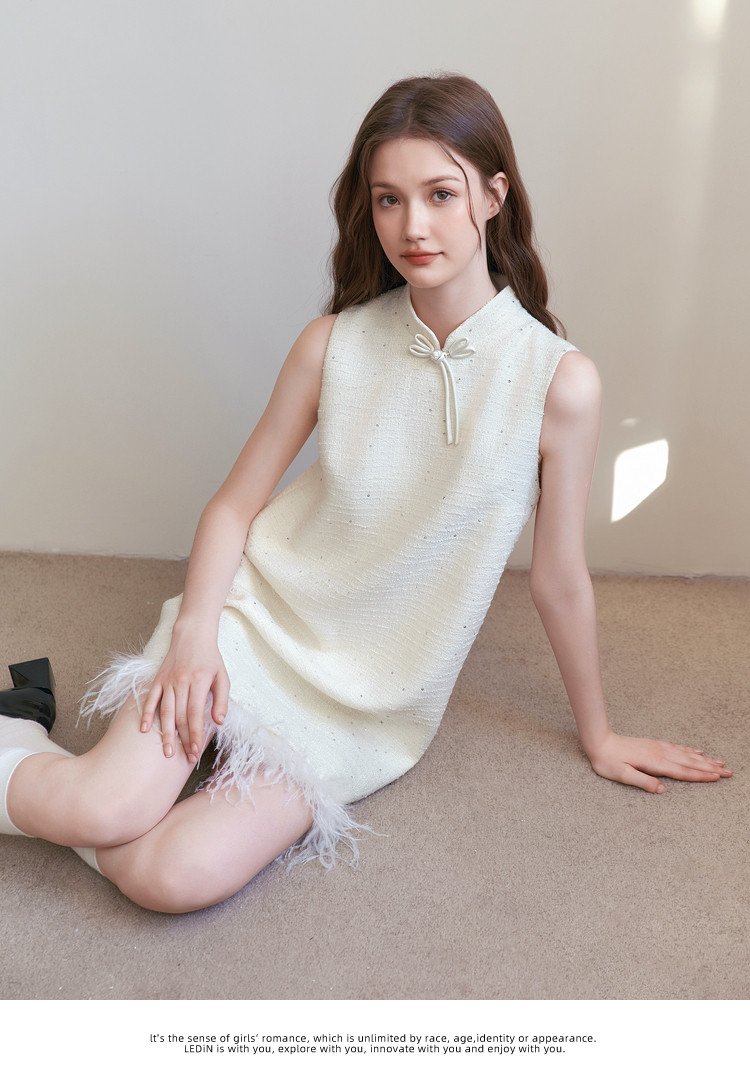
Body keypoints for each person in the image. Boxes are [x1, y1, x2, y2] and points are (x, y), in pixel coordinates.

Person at [0, 74, 732, 914]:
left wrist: (599, 734)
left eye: (441, 194)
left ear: (493, 197)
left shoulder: (558, 382)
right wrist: (196, 636)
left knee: (169, 877)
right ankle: (19, 733)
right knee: (106, 808)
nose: (413, 226)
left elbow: (559, 576)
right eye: (389, 199)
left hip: (367, 703)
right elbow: (233, 506)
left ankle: (24, 739)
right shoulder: (332, 345)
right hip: (253, 624)